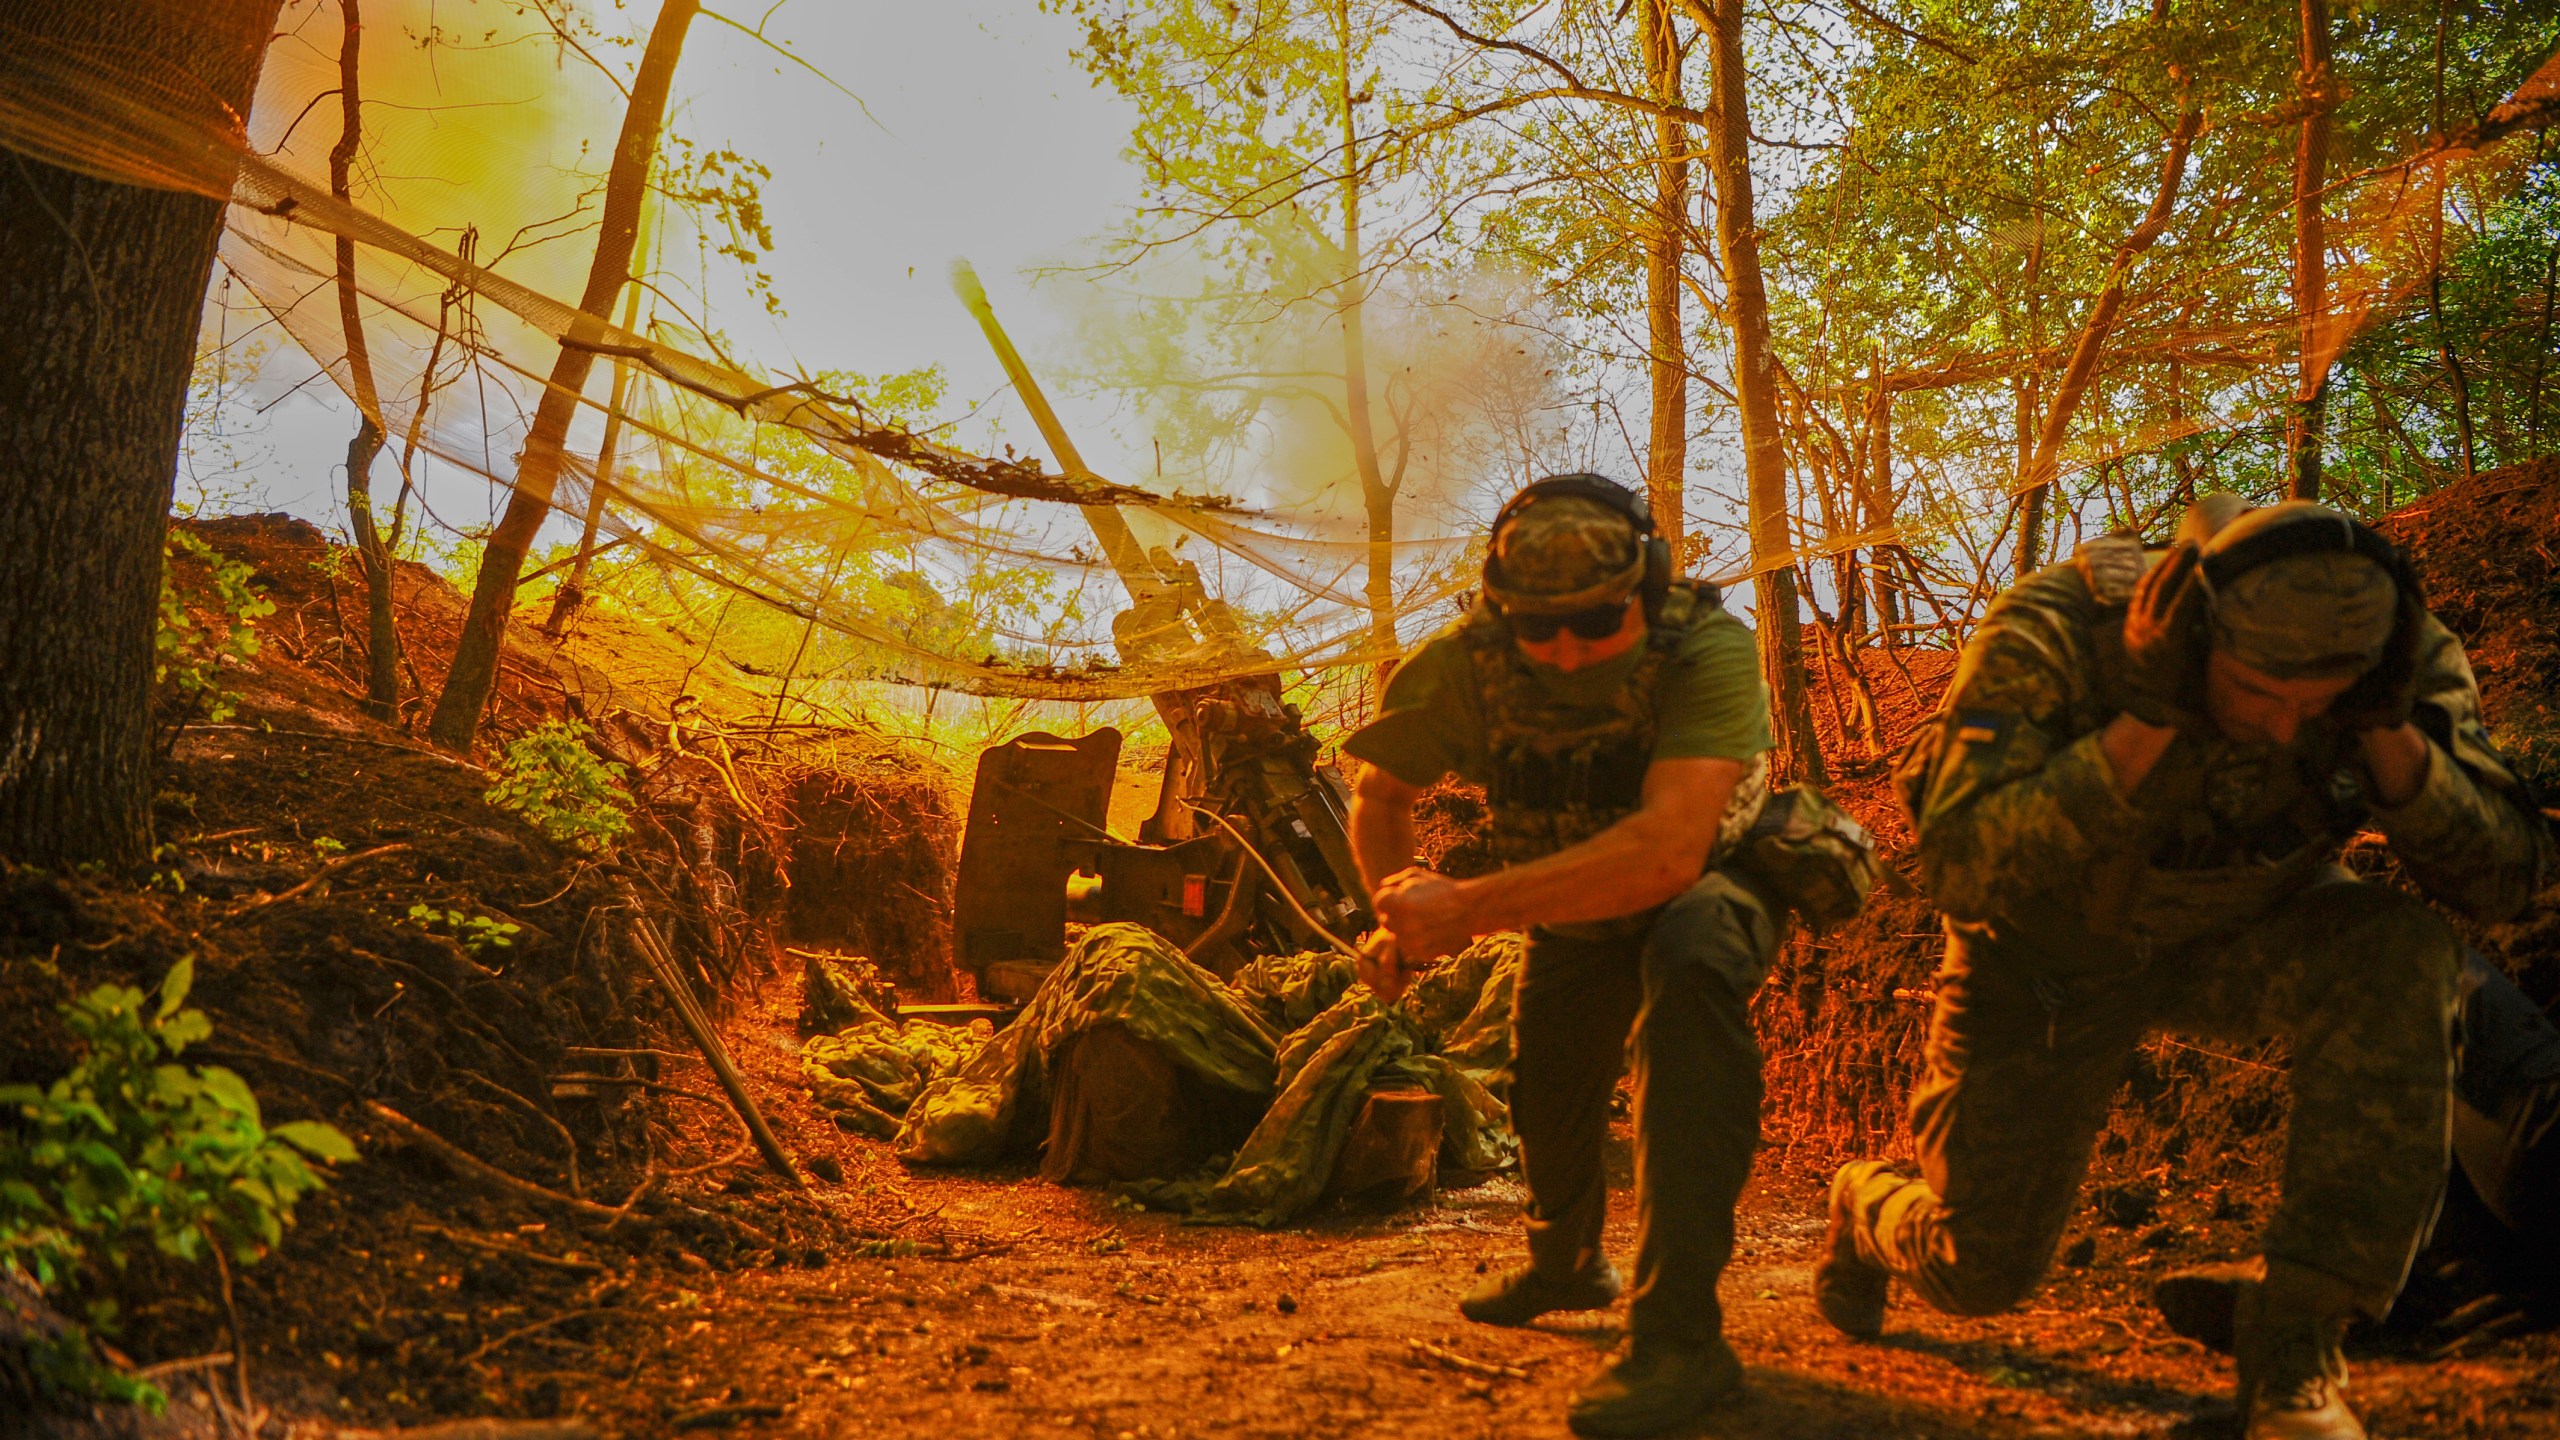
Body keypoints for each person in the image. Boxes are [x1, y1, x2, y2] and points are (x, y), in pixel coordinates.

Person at [1813, 496, 2557, 1440]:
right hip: (2046, 959)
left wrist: (2388, 736)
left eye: (2315, 703)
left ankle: (2295, 1349)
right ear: (2195, 635)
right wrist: (2145, 721)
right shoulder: (2057, 630)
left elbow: (2506, 881)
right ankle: (1866, 1203)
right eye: (2255, 692)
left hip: (2247, 932)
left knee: (2398, 949)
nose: (2287, 729)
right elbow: (1962, 868)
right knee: (1979, 1269)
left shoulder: (2395, 654)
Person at [1341, 473, 1778, 1439]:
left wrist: (1468, 909)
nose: (1568, 651)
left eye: (1594, 621)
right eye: (1539, 630)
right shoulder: (1467, 664)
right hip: (1569, 914)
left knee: (1692, 990)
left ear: (1648, 587)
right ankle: (1566, 1264)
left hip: (1710, 882)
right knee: (1546, 1084)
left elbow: (1668, 851)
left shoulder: (1705, 646)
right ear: (1502, 616)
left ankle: (1680, 1339)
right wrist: (1398, 906)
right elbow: (1380, 796)